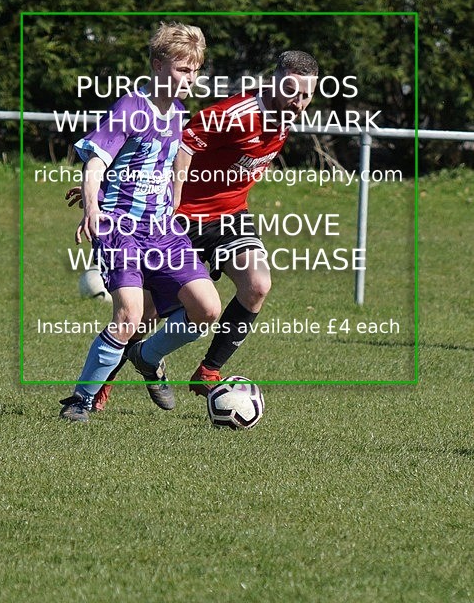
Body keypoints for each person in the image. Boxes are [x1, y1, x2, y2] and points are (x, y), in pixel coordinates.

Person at [88, 49, 319, 411]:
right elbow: (182, 142)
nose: (299, 102)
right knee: (143, 314)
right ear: (274, 81)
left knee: (257, 285)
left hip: (229, 216)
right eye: (293, 91)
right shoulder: (237, 113)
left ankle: (208, 371)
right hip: (181, 216)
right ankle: (105, 384)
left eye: (307, 95)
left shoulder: (285, 117)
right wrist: (173, 198)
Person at [59, 22, 221, 422]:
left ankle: (147, 357)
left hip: (162, 229)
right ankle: (81, 400)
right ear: (157, 65)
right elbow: (96, 159)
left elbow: (158, 168)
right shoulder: (131, 107)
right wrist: (93, 206)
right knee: (130, 315)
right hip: (120, 227)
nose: (189, 79)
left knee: (207, 308)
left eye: (195, 70)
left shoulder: (179, 113)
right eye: (183, 69)